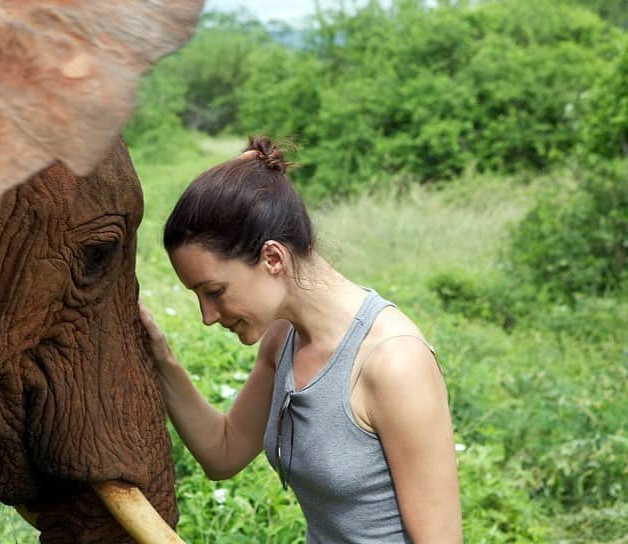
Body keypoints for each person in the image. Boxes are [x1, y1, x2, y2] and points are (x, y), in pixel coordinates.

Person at [139, 136, 462, 543]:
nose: (207, 317)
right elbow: (224, 451)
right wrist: (159, 354)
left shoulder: (393, 363)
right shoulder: (282, 338)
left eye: (215, 291)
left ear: (273, 258)